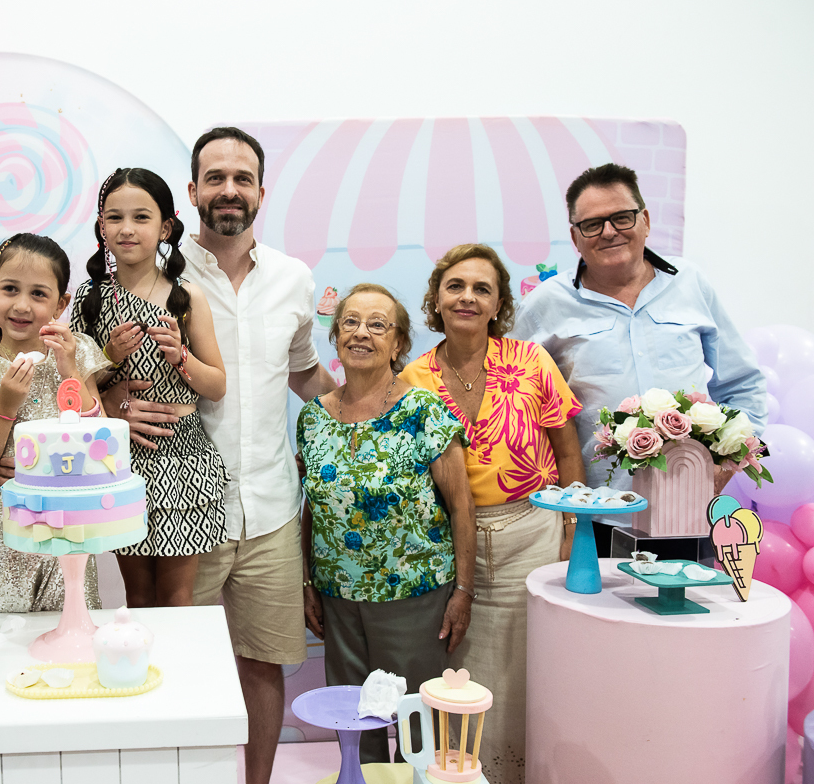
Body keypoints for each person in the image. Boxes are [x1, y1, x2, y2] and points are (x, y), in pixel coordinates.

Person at [103, 127, 335, 784]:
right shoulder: (157, 274)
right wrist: (113, 399)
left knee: (262, 662)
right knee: (166, 654)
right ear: (193, 191)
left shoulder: (295, 278)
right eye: (215, 177)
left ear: (261, 191)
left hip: (269, 510)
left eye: (242, 177)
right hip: (179, 508)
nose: (228, 189)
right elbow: (90, 371)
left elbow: (306, 375)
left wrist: (377, 400)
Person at [400, 244, 584, 784]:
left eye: (483, 288)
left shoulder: (531, 361)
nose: (468, 297)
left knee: (529, 666)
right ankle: (463, 775)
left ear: (500, 302)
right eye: (456, 286)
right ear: (436, 298)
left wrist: (575, 525)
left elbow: (568, 448)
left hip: (534, 532)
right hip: (451, 545)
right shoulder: (413, 378)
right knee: (461, 673)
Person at [510, 163, 767, 532]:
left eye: (622, 217)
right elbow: (510, 400)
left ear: (645, 219)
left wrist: (728, 463)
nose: (609, 232)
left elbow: (744, 385)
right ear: (575, 237)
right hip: (593, 513)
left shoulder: (690, 283)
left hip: (689, 511)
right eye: (592, 224)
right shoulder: (547, 304)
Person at [300, 283, 476, 765]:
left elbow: (462, 507)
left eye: (378, 324)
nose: (361, 333)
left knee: (417, 722)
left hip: (414, 597)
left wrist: (464, 590)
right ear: (335, 337)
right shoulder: (313, 418)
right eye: (350, 322)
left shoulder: (424, 411)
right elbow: (312, 506)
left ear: (399, 344)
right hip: (338, 597)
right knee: (355, 721)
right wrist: (307, 582)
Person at [72, 168, 228, 607]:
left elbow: (216, 385)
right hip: (119, 459)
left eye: (141, 217)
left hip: (186, 460)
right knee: (137, 596)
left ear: (165, 227)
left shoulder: (187, 296)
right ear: (101, 227)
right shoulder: (90, 298)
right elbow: (70, 388)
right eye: (114, 218)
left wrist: (181, 355)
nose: (126, 229)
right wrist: (109, 359)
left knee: (178, 600)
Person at [0, 233, 104, 614]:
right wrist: (6, 407)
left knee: (69, 649)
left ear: (61, 303)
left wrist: (68, 368)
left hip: (66, 536)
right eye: (10, 289)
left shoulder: (78, 351)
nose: (21, 305)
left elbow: (100, 443)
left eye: (38, 294)